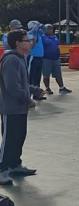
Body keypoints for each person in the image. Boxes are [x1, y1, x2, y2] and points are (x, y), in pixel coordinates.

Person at [0, 29, 40, 186]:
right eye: (26, 40)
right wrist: (28, 100)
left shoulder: (20, 58)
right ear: (17, 43)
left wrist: (34, 89)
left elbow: (21, 84)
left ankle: (15, 164)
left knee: (18, 137)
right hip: (11, 108)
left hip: (19, 109)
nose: (30, 42)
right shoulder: (11, 60)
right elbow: (12, 87)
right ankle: (2, 169)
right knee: (9, 140)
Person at [41, 24, 71, 95]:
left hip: (56, 58)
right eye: (48, 28)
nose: (50, 30)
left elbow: (57, 46)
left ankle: (61, 88)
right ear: (44, 29)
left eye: (51, 28)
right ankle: (47, 88)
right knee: (46, 74)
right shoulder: (42, 37)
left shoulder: (55, 37)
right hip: (46, 59)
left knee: (58, 74)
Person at [27, 21, 45, 97]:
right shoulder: (29, 34)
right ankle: (28, 96)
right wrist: (34, 32)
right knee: (31, 77)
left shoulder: (38, 34)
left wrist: (39, 27)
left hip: (40, 58)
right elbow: (32, 46)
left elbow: (44, 29)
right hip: (32, 57)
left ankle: (36, 95)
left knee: (38, 77)